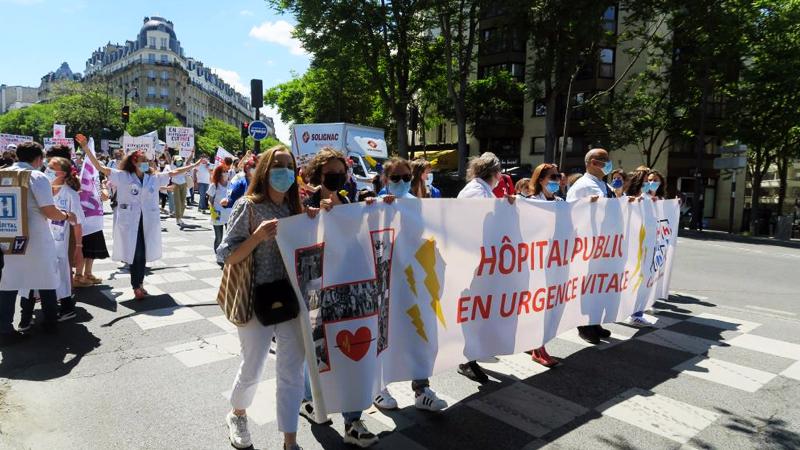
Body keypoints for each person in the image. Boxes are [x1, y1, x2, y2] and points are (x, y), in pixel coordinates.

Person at [217, 145, 312, 450]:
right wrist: (257, 237)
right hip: (253, 297)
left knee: (292, 369)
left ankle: (290, 438)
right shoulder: (248, 206)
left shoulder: (296, 208)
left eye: (289, 165)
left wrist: (315, 216)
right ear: (264, 170)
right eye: (277, 165)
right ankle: (238, 413)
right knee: (254, 364)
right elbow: (228, 256)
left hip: (290, 298)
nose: (284, 171)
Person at [298, 147, 382, 447]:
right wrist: (311, 217)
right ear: (319, 174)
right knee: (318, 348)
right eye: (331, 172)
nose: (338, 176)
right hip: (318, 290)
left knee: (349, 351)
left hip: (350, 288)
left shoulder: (348, 200)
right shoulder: (305, 203)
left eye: (341, 171)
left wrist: (371, 207)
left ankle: (352, 420)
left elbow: (360, 234)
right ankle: (309, 399)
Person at [78, 135, 203, 300]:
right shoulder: (122, 176)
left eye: (146, 161)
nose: (146, 163)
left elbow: (174, 172)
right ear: (133, 163)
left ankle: (140, 284)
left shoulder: (153, 178)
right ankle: (136, 286)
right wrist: (86, 148)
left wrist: (193, 165)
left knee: (143, 255)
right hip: (130, 223)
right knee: (135, 254)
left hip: (147, 222)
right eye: (142, 161)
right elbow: (100, 168)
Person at [374, 157, 449, 411]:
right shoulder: (373, 206)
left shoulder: (417, 204)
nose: (402, 182)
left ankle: (421, 389)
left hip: (412, 278)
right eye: (395, 178)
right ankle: (378, 387)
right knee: (384, 331)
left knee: (419, 330)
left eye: (406, 177)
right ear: (385, 179)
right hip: (384, 281)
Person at [0, 142, 76, 345]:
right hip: (36, 238)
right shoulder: (36, 176)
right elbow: (49, 211)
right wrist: (67, 215)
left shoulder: (1, 174)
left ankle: (5, 329)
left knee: (7, 283)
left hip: (7, 237)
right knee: (46, 278)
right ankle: (50, 322)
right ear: (38, 159)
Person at [456, 152, 515, 382]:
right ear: (496, 172)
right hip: (473, 262)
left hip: (480, 261)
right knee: (473, 312)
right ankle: (466, 360)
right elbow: (476, 223)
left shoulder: (481, 190)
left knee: (478, 310)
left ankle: (471, 356)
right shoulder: (475, 192)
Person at [19, 156, 85, 329]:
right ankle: (28, 317)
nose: (46, 170)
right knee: (34, 278)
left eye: (51, 168)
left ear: (62, 173)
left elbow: (77, 223)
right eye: (46, 166)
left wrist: (78, 248)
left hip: (59, 245)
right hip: (38, 241)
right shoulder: (39, 189)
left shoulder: (70, 194)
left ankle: (66, 309)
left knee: (59, 278)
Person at [566, 148, 614, 344]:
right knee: (585, 287)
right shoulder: (583, 186)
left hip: (603, 244)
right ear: (593, 162)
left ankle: (594, 321)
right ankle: (584, 326)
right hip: (587, 245)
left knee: (597, 286)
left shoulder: (603, 184)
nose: (608, 163)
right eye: (605, 160)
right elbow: (570, 214)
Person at [523, 163, 564, 367]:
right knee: (538, 307)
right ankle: (537, 348)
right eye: (552, 177)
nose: (557, 180)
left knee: (549, 306)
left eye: (558, 176)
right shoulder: (531, 202)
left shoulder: (561, 202)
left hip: (555, 263)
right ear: (540, 180)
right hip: (536, 264)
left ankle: (535, 343)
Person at [207, 165, 232, 251]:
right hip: (217, 214)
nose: (226, 173)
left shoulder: (231, 184)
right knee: (219, 237)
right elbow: (210, 200)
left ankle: (227, 254)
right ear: (219, 174)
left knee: (230, 237)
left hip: (229, 214)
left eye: (226, 171)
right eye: (223, 172)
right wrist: (212, 208)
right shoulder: (214, 185)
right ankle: (217, 254)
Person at [168, 152, 193, 229]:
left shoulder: (184, 166)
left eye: (180, 161)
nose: (179, 162)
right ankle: (178, 218)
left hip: (184, 184)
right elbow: (168, 158)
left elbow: (189, 160)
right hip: (175, 185)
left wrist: (192, 153)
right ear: (175, 161)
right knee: (177, 202)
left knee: (183, 202)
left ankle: (180, 217)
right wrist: (166, 151)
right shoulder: (173, 166)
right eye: (178, 161)